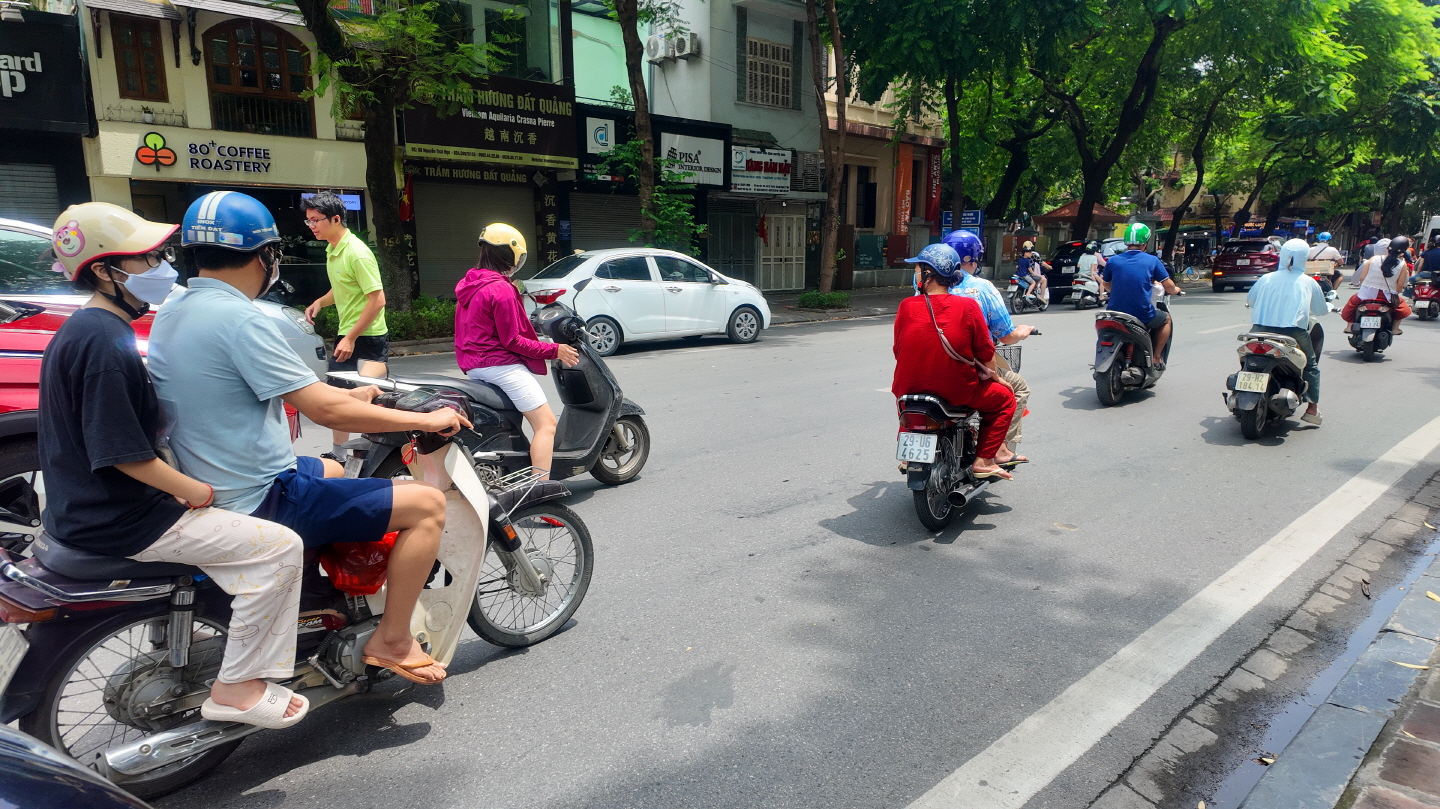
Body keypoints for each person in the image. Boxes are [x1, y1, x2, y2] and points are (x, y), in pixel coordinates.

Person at [150, 191, 471, 686]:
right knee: (428, 505)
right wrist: (428, 421)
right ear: (265, 256)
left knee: (336, 468)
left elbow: (247, 387)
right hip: (259, 494)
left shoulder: (176, 308)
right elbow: (320, 407)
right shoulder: (240, 318)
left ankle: (314, 605)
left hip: (211, 474)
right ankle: (393, 638)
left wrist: (357, 397)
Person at [39, 203, 310, 728]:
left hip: (85, 511)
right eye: (146, 258)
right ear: (103, 270)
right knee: (280, 549)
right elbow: (124, 454)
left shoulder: (85, 329)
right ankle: (238, 687)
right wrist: (195, 490)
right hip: (123, 519)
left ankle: (180, 631)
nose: (162, 266)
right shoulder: (102, 343)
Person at [454, 224, 579, 480]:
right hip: (501, 367)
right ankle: (540, 490)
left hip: (475, 367)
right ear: (509, 255)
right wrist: (554, 350)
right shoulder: (500, 289)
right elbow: (512, 341)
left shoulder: (470, 284)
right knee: (546, 424)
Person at [893, 244, 1017, 481]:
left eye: (918, 268)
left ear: (928, 274)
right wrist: (996, 377)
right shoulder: (967, 306)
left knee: (907, 407)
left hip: (907, 387)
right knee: (1006, 399)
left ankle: (908, 456)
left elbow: (898, 349)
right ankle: (983, 461)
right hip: (957, 391)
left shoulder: (906, 306)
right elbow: (984, 350)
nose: (916, 273)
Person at [301, 192, 389, 465]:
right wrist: (320, 302)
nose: (312, 225)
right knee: (338, 395)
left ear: (336, 219)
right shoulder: (332, 248)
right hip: (349, 335)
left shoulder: (357, 253)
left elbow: (378, 299)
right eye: (309, 221)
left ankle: (372, 453)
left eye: (317, 220)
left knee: (365, 396)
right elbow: (343, 288)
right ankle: (341, 454)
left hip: (368, 338)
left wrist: (351, 337)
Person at [943, 229, 1033, 466]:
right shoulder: (980, 289)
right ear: (972, 260)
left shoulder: (927, 286)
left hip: (933, 362)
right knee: (1015, 388)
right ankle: (998, 448)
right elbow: (1005, 337)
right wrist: (1022, 332)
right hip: (970, 368)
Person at [1248, 238, 1329, 425]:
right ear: (1304, 258)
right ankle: (1312, 408)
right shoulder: (1307, 282)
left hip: (1259, 329)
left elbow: (1251, 301)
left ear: (1282, 255)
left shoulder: (1266, 278)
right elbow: (1320, 310)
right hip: (1293, 332)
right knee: (1310, 366)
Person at [1101, 222, 1182, 370]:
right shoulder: (1152, 260)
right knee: (1166, 319)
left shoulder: (1113, 260)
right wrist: (1176, 289)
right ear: (1145, 244)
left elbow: (1106, 284)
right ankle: (1156, 357)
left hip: (1114, 313)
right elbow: (1168, 287)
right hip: (1141, 313)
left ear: (1126, 243)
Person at [1343, 235, 1412, 335]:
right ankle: (1395, 328)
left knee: (1351, 305)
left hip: (1365, 295)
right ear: (1404, 251)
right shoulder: (1402, 264)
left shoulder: (1373, 259)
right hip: (1386, 298)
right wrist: (1395, 293)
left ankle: (1349, 326)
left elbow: (1362, 278)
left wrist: (1366, 287)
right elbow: (1400, 286)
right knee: (1402, 308)